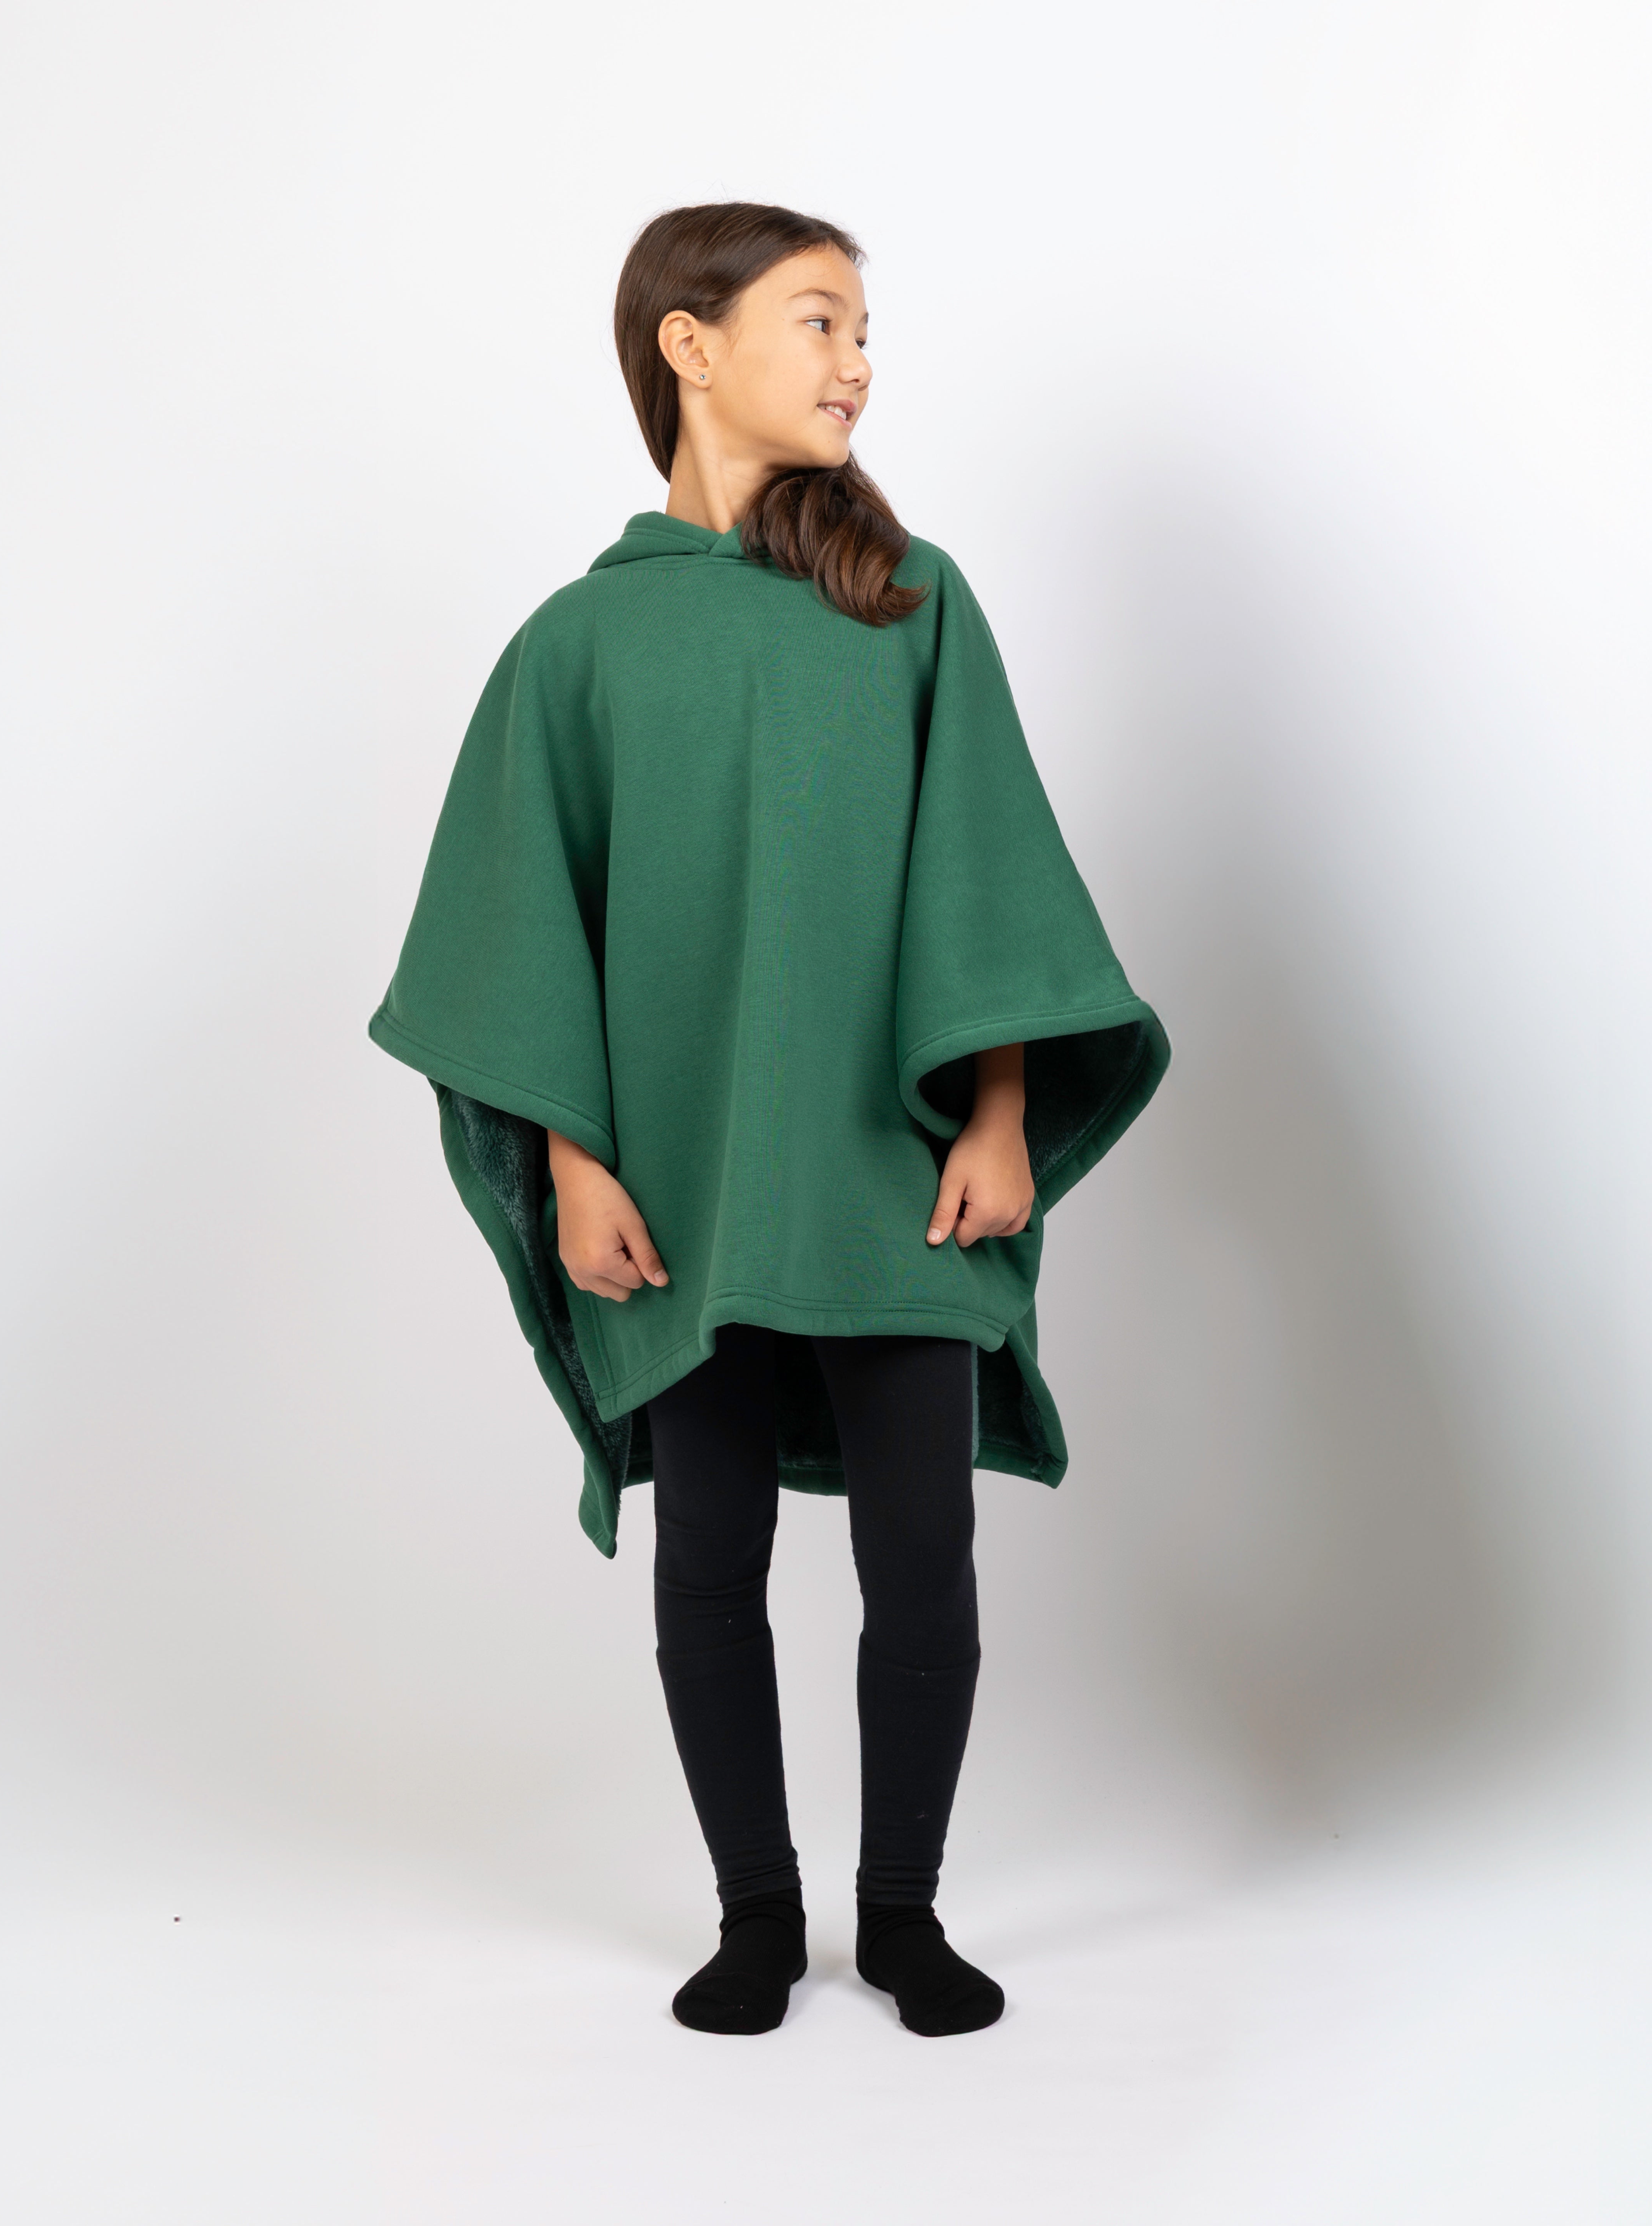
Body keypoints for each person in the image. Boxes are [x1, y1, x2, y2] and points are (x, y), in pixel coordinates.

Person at [369, 202, 1168, 2038]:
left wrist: (1000, 1114)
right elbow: (522, 934)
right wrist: (573, 1165)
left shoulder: (911, 603)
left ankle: (903, 1918)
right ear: (691, 343)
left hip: (896, 1180)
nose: (858, 363)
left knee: (922, 1558)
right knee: (710, 1557)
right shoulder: (579, 647)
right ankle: (754, 1920)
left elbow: (989, 875)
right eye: (821, 321)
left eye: (866, 332)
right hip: (682, 1195)